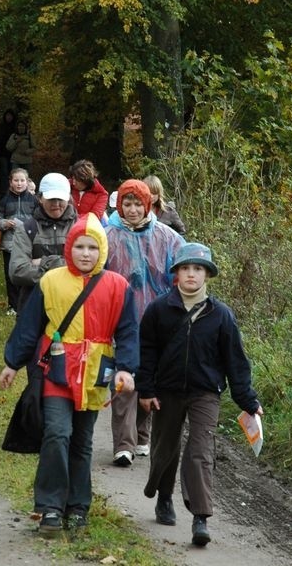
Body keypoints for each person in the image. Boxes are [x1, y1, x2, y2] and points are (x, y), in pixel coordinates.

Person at [0, 213, 139, 536]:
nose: (85, 253)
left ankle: (77, 508)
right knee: (57, 434)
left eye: (92, 247)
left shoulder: (118, 287)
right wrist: (12, 362)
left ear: (101, 250)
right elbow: (29, 326)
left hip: (94, 375)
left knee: (82, 442)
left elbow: (129, 332)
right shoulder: (51, 281)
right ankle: (49, 507)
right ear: (69, 248)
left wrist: (127, 368)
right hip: (56, 370)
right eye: (79, 246)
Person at [137, 242, 263, 546]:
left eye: (197, 268)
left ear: (207, 274)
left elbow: (236, 362)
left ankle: (200, 518)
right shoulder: (159, 310)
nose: (191, 274)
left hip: (205, 393)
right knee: (165, 448)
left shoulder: (221, 315)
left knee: (201, 450)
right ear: (176, 274)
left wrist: (248, 401)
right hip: (166, 391)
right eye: (185, 268)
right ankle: (164, 496)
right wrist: (146, 389)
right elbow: (147, 352)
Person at [104, 179, 185, 467]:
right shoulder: (108, 235)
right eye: (127, 203)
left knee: (151, 379)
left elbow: (183, 268)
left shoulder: (166, 236)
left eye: (138, 203)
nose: (133, 209)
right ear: (119, 204)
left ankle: (141, 434)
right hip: (120, 321)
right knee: (124, 382)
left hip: (157, 320)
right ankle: (122, 444)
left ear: (148, 204)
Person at [9, 172, 77, 312]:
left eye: (61, 199)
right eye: (51, 199)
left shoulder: (81, 227)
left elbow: (90, 268)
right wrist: (66, 267)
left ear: (69, 198)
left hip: (73, 307)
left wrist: (43, 262)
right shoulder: (27, 229)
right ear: (40, 198)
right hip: (33, 308)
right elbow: (17, 272)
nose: (56, 204)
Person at [0, 167, 37, 316]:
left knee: (27, 273)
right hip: (9, 243)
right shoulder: (5, 201)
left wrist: (26, 224)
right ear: (10, 182)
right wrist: (4, 223)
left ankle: (27, 303)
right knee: (10, 274)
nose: (19, 183)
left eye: (22, 180)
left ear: (27, 181)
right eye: (16, 180)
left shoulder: (33, 201)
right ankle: (13, 305)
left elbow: (38, 219)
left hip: (28, 243)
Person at [0, 108, 16, 198]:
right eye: (7, 115)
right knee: (4, 172)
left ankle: (12, 191)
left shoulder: (15, 127)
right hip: (2, 153)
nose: (9, 117)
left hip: (13, 153)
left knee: (12, 173)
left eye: (10, 116)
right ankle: (3, 191)